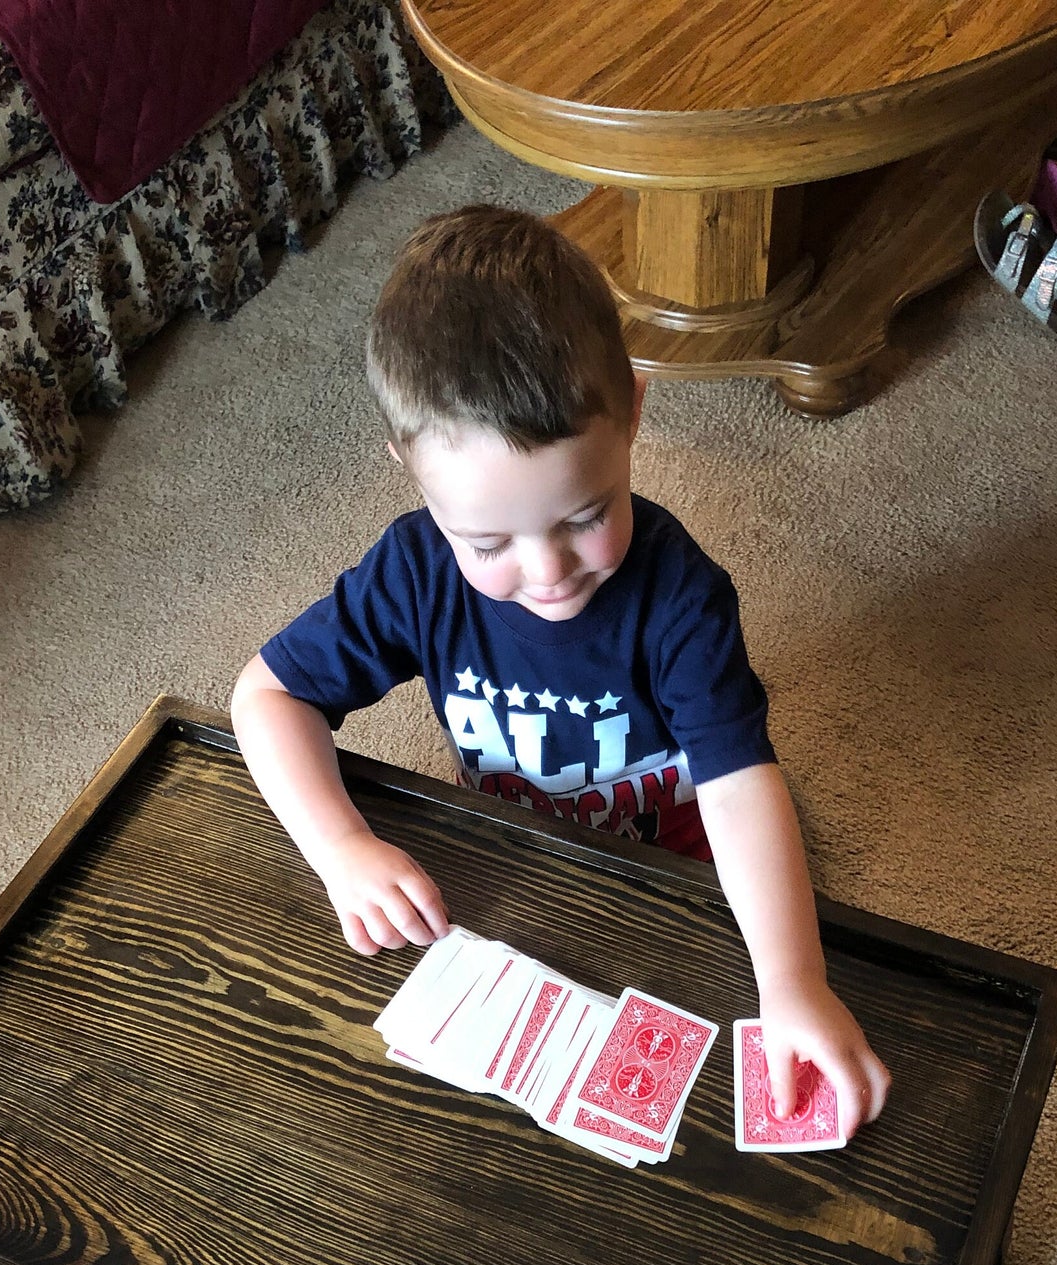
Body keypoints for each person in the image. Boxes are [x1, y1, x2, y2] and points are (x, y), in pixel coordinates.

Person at [231, 205, 889, 1134]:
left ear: (632, 411)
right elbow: (266, 694)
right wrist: (340, 850)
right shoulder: (414, 570)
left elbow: (740, 783)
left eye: (585, 514)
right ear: (411, 474)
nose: (547, 573)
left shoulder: (682, 594)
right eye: (487, 540)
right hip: (518, 866)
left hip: (681, 871)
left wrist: (791, 981)